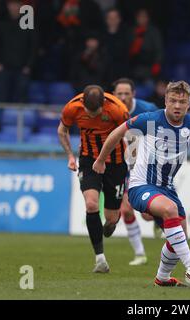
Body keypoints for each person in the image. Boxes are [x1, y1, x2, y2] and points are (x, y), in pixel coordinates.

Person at [92, 81, 190, 286]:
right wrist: (101, 160)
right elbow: (117, 132)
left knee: (179, 236)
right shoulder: (150, 119)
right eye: (173, 100)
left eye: (182, 102)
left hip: (167, 189)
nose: (177, 105)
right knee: (170, 209)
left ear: (188, 104)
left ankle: (162, 278)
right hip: (141, 186)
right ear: (166, 100)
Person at [57, 85, 129, 273]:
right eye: (89, 113)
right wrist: (70, 156)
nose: (92, 117)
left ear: (104, 103)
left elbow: (132, 135)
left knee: (110, 217)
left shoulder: (118, 109)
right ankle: (100, 259)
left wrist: (133, 159)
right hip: (89, 160)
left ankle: (112, 221)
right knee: (91, 205)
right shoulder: (72, 107)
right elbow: (62, 130)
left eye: (96, 113)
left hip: (116, 162)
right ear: (83, 103)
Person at [112, 77, 159, 265]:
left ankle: (157, 218)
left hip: (146, 165)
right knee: (126, 210)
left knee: (147, 215)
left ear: (134, 94)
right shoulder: (110, 112)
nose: (123, 97)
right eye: (119, 94)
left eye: (126, 93)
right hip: (123, 166)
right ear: (114, 95)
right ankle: (140, 253)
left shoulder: (148, 109)